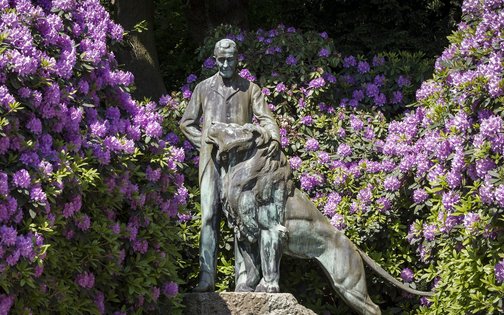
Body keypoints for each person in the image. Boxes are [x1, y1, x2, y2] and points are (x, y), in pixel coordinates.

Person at [179, 39, 280, 292]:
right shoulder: (203, 88)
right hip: (211, 162)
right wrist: (205, 143)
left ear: (237, 59)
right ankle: (206, 277)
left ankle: (244, 280)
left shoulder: (250, 89)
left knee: (243, 220)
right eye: (221, 59)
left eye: (230, 59)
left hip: (241, 165)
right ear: (215, 59)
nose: (226, 64)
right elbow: (186, 123)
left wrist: (274, 137)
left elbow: (267, 118)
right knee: (209, 216)